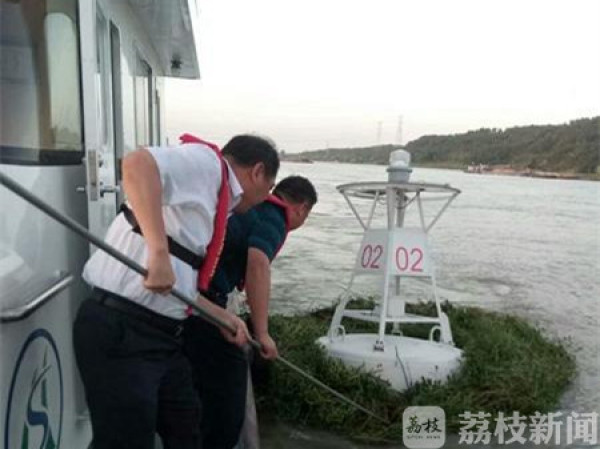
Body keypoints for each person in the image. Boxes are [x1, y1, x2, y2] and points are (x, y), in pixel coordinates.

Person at [73, 134, 280, 449]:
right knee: (125, 441)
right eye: (269, 188)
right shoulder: (209, 165)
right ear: (258, 171)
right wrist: (157, 252)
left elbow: (179, 280)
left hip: (163, 338)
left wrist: (221, 317)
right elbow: (137, 164)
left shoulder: (216, 204)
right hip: (121, 328)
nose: (265, 199)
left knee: (186, 431)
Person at [183, 175, 318, 449]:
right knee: (229, 396)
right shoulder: (275, 217)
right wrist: (263, 333)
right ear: (302, 208)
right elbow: (258, 264)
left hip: (189, 291)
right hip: (203, 303)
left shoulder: (252, 208)